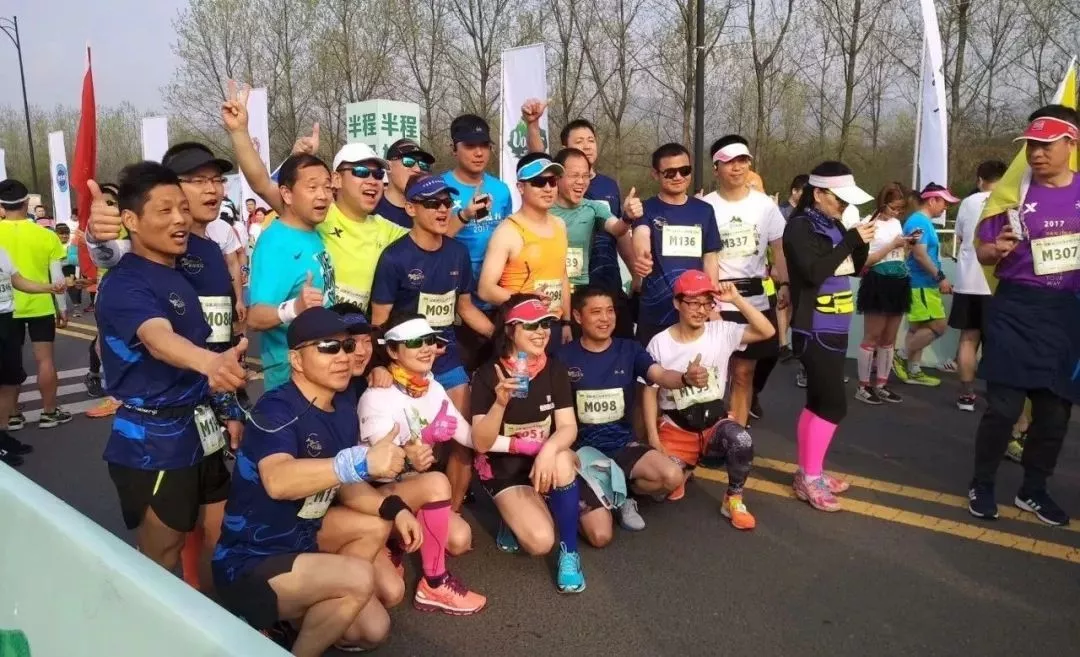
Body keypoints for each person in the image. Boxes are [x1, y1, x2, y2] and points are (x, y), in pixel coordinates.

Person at [213, 308, 407, 655]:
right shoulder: (275, 408)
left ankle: (297, 615)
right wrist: (360, 461)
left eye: (348, 346)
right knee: (360, 580)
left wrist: (396, 508)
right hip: (251, 560)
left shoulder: (343, 408)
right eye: (328, 347)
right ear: (296, 360)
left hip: (304, 541)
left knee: (373, 629)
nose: (343, 356)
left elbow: (345, 484)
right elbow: (278, 480)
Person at [95, 162, 248, 582]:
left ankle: (214, 615)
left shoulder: (182, 268)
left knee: (222, 534)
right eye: (164, 211)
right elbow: (157, 338)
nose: (179, 219)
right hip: (154, 442)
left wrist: (225, 405)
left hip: (202, 424)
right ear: (131, 221)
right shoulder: (125, 282)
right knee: (160, 559)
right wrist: (211, 364)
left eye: (182, 208)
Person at [967, 105, 1080, 527]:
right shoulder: (1013, 194)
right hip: (1015, 307)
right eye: (1031, 145)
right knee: (1003, 407)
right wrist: (993, 250)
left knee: (1055, 413)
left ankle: (1033, 489)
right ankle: (982, 483)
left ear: (1071, 143)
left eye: (1047, 145)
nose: (1037, 153)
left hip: (1066, 312)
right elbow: (982, 251)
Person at [370, 173, 493, 511]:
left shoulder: (457, 253)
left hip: (447, 356)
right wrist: (381, 365)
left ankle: (451, 512)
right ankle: (407, 510)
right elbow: (379, 322)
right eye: (432, 203)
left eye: (446, 203)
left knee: (463, 434)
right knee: (412, 441)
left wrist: (503, 336)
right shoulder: (394, 258)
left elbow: (464, 308)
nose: (442, 210)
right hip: (406, 362)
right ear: (411, 208)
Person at [357, 313, 487, 614]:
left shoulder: (433, 386)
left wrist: (524, 440)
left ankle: (396, 542)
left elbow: (471, 438)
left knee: (460, 539)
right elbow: (380, 466)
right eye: (416, 342)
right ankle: (434, 583)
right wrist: (408, 454)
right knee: (437, 482)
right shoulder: (376, 395)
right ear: (392, 350)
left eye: (430, 340)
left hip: (412, 487)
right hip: (375, 495)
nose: (427, 348)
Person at [561, 286, 709, 538]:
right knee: (599, 536)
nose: (605, 318)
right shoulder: (563, 357)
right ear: (577, 316)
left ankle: (623, 495)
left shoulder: (630, 350)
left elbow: (660, 375)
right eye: (596, 312)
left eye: (610, 311)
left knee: (672, 477)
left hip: (622, 446)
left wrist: (685, 378)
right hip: (581, 452)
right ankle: (596, 493)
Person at [470, 295, 586, 593]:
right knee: (540, 542)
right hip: (503, 468)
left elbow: (568, 427)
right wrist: (499, 403)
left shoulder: (555, 369)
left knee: (562, 458)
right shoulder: (487, 374)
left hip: (541, 460)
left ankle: (569, 554)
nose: (541, 332)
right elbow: (480, 443)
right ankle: (511, 517)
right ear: (510, 330)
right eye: (531, 325)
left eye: (545, 324)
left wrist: (547, 451)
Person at [642, 271, 775, 527]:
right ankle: (685, 467)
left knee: (741, 440)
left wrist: (736, 300)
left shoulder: (721, 331)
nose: (701, 310)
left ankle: (733, 498)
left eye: (707, 303)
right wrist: (653, 438)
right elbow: (649, 391)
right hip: (677, 429)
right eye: (693, 303)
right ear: (677, 303)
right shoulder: (659, 343)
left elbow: (767, 330)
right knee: (659, 488)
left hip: (714, 426)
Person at [783, 162, 875, 512]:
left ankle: (810, 471)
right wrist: (850, 240)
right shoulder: (800, 227)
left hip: (837, 326)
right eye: (840, 199)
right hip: (814, 327)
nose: (844, 205)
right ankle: (810, 478)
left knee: (818, 403)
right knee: (834, 405)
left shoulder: (834, 223)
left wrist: (861, 241)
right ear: (819, 194)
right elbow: (813, 272)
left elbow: (852, 267)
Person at [522, 102, 636, 336]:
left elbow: (618, 229)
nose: (586, 146)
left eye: (591, 140)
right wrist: (532, 124)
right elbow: (538, 159)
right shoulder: (545, 202)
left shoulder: (604, 191)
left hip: (601, 281)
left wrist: (628, 219)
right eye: (579, 141)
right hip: (552, 292)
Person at [701, 135, 789, 426]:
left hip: (753, 300)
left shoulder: (765, 206)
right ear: (716, 168)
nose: (737, 168)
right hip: (717, 298)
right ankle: (710, 430)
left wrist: (785, 284)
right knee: (715, 371)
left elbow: (779, 248)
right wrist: (708, 301)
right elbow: (704, 256)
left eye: (742, 161)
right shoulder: (705, 206)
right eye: (729, 162)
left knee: (744, 372)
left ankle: (737, 432)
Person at [631, 143, 722, 346]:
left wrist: (712, 303)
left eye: (685, 170)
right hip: (656, 309)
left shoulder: (705, 210)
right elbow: (641, 234)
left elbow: (710, 258)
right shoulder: (646, 209)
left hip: (694, 309)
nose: (678, 177)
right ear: (656, 174)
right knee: (650, 365)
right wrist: (642, 256)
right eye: (670, 173)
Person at [478, 153, 572, 349]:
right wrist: (529, 299)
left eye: (552, 181)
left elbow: (562, 274)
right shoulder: (508, 231)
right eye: (539, 182)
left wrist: (566, 322)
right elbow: (486, 289)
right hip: (522, 328)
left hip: (553, 325)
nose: (548, 188)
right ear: (521, 187)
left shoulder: (560, 225)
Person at [443, 114, 514, 372]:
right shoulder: (441, 188)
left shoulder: (501, 190)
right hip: (458, 303)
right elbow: (434, 239)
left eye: (484, 145)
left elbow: (509, 235)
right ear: (454, 149)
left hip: (497, 296)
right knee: (465, 377)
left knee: (502, 373)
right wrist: (465, 215)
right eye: (470, 146)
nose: (478, 153)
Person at [0, 179, 70, 430]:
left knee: (10, 362)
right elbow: (57, 277)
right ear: (27, 202)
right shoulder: (46, 235)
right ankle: (49, 412)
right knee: (45, 360)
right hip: (41, 303)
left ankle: (12, 414)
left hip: (6, 308)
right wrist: (62, 307)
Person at [0, 242, 66, 465]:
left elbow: (18, 281)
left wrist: (50, 288)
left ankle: (2, 436)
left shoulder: (2, 251)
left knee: (9, 380)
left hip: (7, 319)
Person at [950, 160, 1006, 411]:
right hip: (996, 282)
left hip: (968, 281)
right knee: (998, 341)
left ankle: (966, 395)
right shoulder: (1010, 201)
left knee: (968, 338)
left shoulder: (968, 202)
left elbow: (962, 235)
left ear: (980, 179)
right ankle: (998, 397)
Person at [853, 183, 915, 404]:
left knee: (889, 338)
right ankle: (863, 386)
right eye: (894, 207)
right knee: (872, 336)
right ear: (883, 203)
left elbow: (900, 254)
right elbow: (864, 261)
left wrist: (906, 245)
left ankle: (882, 383)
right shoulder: (869, 224)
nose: (897, 213)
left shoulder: (897, 223)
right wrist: (891, 245)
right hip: (877, 280)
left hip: (898, 280)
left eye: (901, 209)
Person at [892, 183, 959, 387]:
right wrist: (940, 277)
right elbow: (920, 255)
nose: (946, 207)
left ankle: (914, 370)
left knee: (918, 328)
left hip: (923, 283)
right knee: (938, 327)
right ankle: (900, 356)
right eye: (944, 202)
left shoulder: (920, 221)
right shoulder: (918, 222)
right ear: (932, 200)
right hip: (920, 283)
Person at [548, 148, 632, 300]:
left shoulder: (594, 208)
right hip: (547, 289)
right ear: (557, 177)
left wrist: (627, 217)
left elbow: (617, 229)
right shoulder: (543, 209)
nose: (580, 182)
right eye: (574, 175)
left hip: (581, 291)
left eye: (585, 176)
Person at [376, 138, 436, 228]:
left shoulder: (431, 210)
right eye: (409, 161)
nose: (418, 169)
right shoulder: (370, 208)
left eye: (423, 165)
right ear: (388, 166)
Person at [56, 224, 83, 311]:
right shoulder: (53, 244)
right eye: (61, 234)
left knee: (71, 284)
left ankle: (76, 305)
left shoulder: (72, 244)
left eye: (66, 234)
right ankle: (61, 308)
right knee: (59, 287)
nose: (64, 236)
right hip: (56, 267)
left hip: (69, 267)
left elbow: (77, 258)